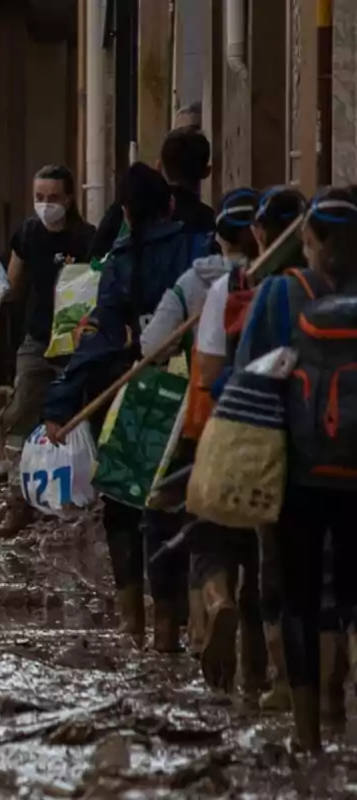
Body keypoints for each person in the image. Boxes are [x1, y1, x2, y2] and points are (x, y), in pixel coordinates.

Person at [42, 163, 212, 649]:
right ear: (171, 205)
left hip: (123, 392)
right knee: (170, 507)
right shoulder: (196, 252)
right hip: (184, 395)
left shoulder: (118, 262)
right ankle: (167, 627)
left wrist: (59, 403)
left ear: (125, 214)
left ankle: (130, 620)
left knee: (121, 504)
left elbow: (95, 338)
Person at [233, 187, 357, 751]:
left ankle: (308, 738)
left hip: (298, 471)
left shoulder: (281, 293)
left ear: (310, 242)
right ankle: (342, 706)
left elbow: (247, 377)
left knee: (299, 597)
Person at [143, 188, 265, 692]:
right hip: (277, 437)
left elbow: (154, 348)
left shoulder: (204, 285)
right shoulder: (288, 282)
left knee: (209, 536)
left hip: (212, 430)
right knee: (262, 552)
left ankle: (214, 605)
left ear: (217, 237)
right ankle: (266, 685)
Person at [195, 186, 306, 710]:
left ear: (262, 232)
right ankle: (308, 694)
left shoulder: (236, 288)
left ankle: (253, 672)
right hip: (317, 439)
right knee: (293, 559)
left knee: (222, 536)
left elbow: (212, 373)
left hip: (247, 433)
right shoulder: (329, 288)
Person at [0, 164, 95, 535]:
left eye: (53, 198)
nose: (45, 205)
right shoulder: (28, 234)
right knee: (18, 416)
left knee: (83, 420)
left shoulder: (88, 239)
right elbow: (11, 288)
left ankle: (82, 506)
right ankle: (18, 504)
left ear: (69, 199)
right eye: (39, 198)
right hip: (37, 341)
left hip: (79, 345)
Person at [89, 126, 215, 260]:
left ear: (159, 167)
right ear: (207, 171)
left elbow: (93, 261)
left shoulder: (132, 207)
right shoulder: (208, 224)